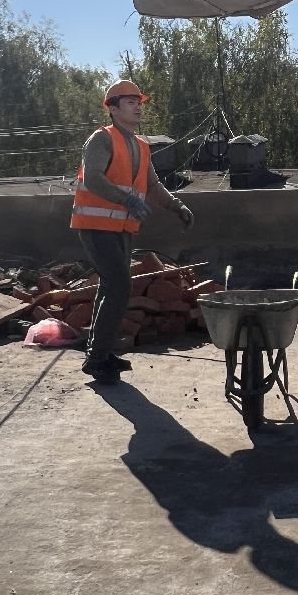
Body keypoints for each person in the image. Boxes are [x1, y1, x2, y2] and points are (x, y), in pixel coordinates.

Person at [71, 79, 195, 384]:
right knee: (118, 285)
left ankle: (100, 353)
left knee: (112, 287)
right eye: (130, 102)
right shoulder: (101, 139)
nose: (138, 107)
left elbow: (152, 185)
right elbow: (93, 178)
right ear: (113, 109)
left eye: (139, 103)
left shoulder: (141, 145)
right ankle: (97, 357)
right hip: (96, 226)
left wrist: (177, 206)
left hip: (123, 228)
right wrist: (125, 199)